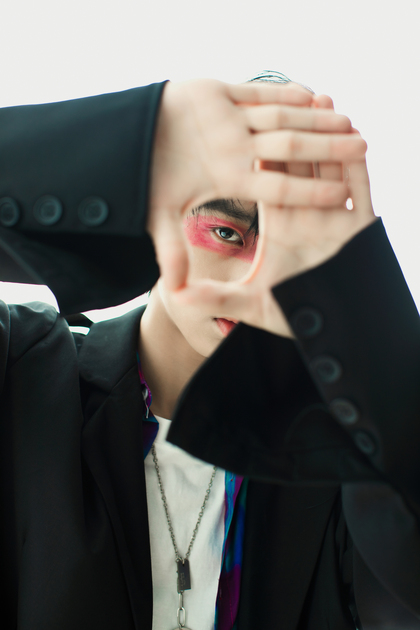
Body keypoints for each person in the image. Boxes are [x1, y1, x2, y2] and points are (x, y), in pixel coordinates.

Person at [0, 75, 419, 630]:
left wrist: (371, 305)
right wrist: (145, 136)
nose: (257, 279)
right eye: (227, 232)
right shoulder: (21, 370)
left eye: (291, 252)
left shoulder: (344, 461)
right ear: (161, 213)